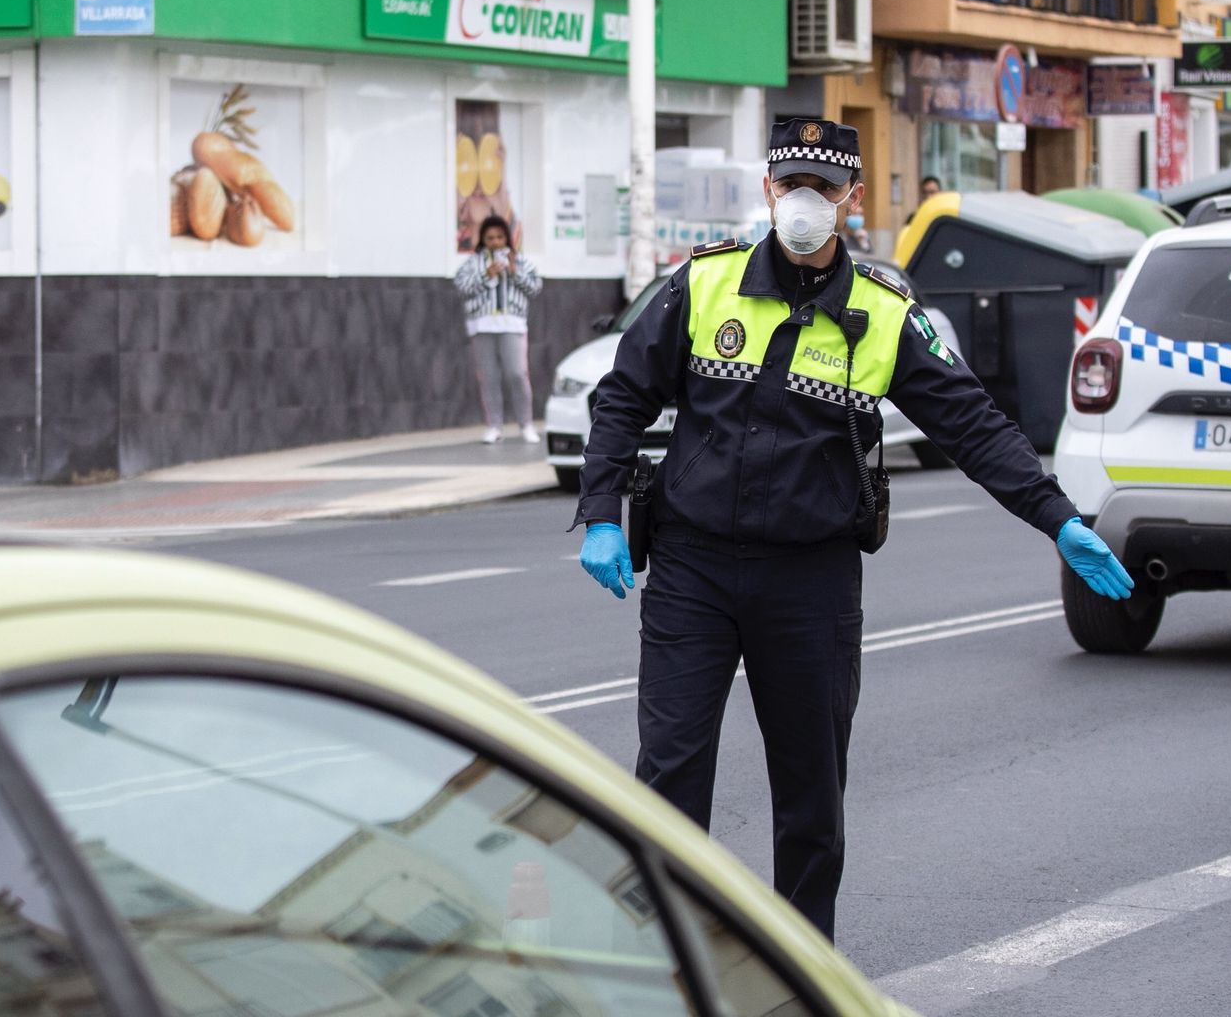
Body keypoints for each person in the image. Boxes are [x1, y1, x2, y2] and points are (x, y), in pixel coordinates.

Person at [572, 118, 1132, 937]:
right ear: (768, 191)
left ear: (853, 199)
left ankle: (804, 966)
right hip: (693, 568)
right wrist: (600, 513)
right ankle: (667, 958)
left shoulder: (885, 313)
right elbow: (623, 394)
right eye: (790, 185)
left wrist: (1057, 519)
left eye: (824, 188)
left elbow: (973, 427)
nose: (805, 201)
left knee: (811, 795)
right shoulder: (704, 284)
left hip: (811, 582)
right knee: (669, 776)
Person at [454, 215, 543, 444]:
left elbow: (535, 288)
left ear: (507, 238)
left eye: (500, 237)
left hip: (512, 324)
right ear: (483, 239)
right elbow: (462, 288)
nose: (495, 242)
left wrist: (514, 271)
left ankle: (526, 424)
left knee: (517, 374)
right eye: (490, 238)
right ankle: (494, 426)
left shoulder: (520, 262)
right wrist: (487, 275)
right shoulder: (473, 263)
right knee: (488, 377)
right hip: (482, 325)